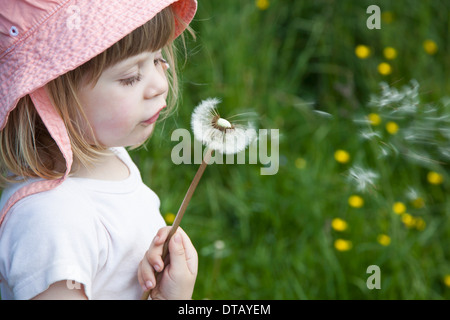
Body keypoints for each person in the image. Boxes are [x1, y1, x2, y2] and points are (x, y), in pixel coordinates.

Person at [0, 0, 198, 300]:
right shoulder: (51, 221)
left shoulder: (107, 154)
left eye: (158, 60)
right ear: (51, 98)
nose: (158, 84)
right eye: (130, 76)